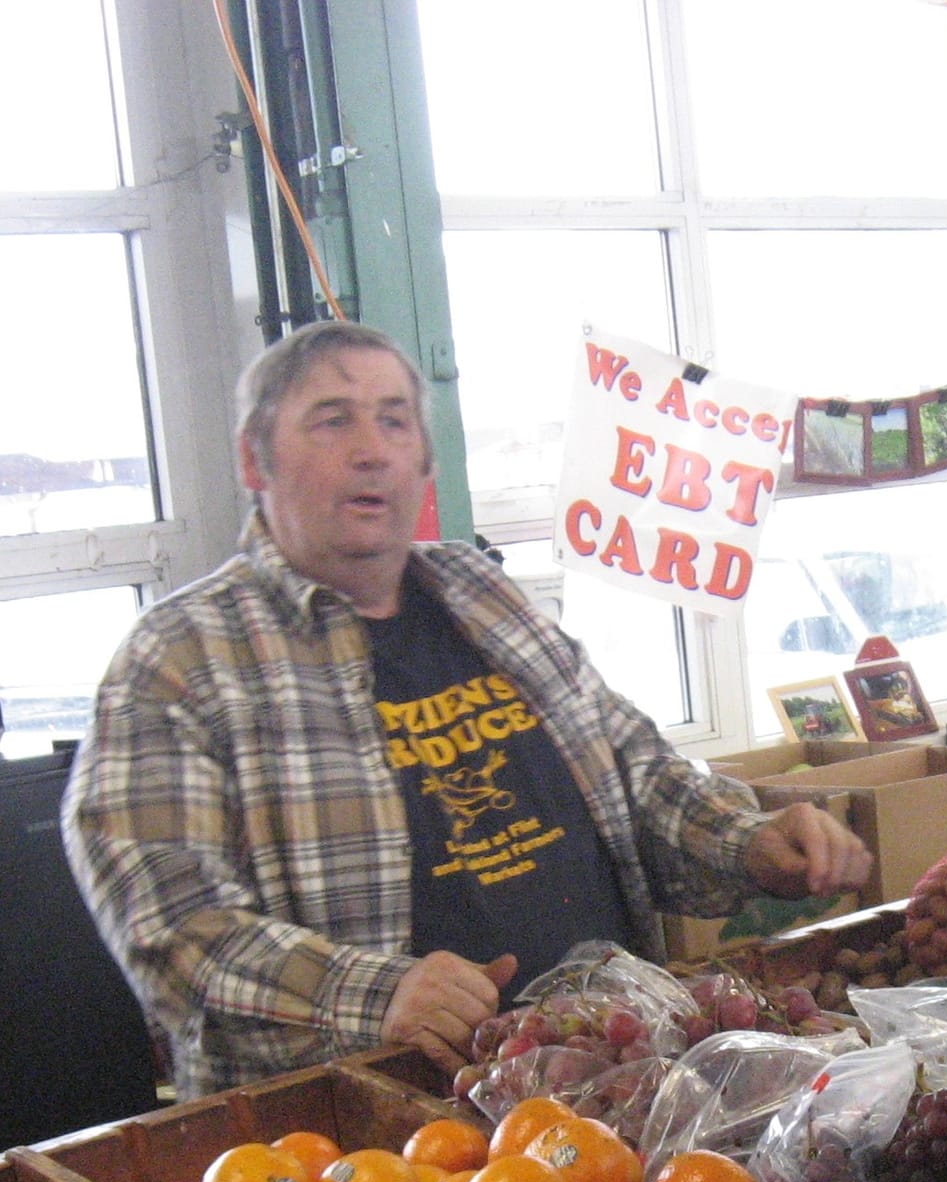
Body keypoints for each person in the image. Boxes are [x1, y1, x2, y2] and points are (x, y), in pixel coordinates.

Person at [63, 319, 872, 1101]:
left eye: (394, 420)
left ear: (422, 456)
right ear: (254, 457)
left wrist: (751, 841)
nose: (372, 449)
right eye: (332, 421)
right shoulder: (178, 660)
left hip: (613, 1082)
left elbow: (633, 769)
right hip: (375, 1139)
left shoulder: (483, 593)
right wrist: (377, 995)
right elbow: (171, 926)